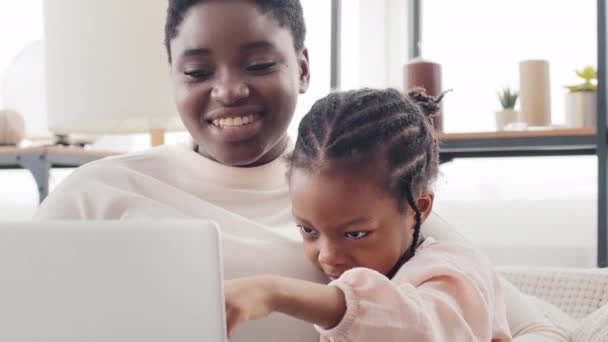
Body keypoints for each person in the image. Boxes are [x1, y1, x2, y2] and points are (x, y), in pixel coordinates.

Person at [35, 0, 568, 341]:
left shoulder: (365, 192)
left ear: (303, 67)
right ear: (173, 77)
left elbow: (527, 325)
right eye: (197, 71)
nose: (227, 90)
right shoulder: (96, 194)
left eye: (260, 63)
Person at [224, 88, 512, 341]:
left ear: (418, 209)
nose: (326, 256)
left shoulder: (457, 272)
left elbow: (416, 329)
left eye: (354, 234)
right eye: (308, 230)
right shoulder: (349, 274)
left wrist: (275, 292)